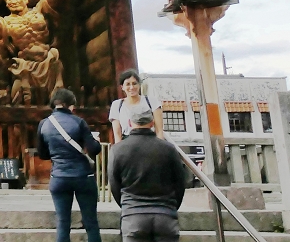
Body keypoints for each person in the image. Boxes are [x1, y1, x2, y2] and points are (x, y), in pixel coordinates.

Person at [110, 109, 188, 242]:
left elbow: (114, 184)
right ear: (152, 123)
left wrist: (126, 206)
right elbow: (180, 182)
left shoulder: (117, 150)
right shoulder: (169, 149)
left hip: (133, 215)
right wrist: (172, 206)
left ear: (129, 123)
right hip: (165, 214)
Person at [37, 88, 102, 242]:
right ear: (70, 104)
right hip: (83, 177)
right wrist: (96, 142)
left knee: (63, 223)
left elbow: (43, 154)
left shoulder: (44, 124)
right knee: (91, 222)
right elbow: (94, 150)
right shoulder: (79, 122)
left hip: (59, 177)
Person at [110, 69, 163, 143]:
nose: (131, 87)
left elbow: (159, 131)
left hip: (149, 141)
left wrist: (159, 147)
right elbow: (117, 134)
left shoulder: (152, 102)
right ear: (122, 87)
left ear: (139, 85)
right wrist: (118, 149)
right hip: (127, 143)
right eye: (128, 84)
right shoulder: (117, 105)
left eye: (134, 83)